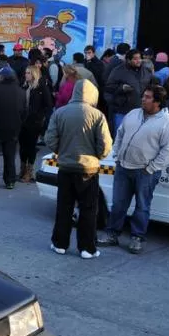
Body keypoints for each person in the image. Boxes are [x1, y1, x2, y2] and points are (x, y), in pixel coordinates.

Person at [97, 85, 169, 254]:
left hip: (145, 172)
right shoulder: (134, 114)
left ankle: (137, 238)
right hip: (123, 168)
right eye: (144, 96)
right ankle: (112, 234)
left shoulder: (167, 124)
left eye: (148, 97)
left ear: (157, 102)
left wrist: (151, 168)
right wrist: (117, 155)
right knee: (118, 204)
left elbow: (168, 150)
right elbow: (120, 133)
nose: (143, 99)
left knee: (142, 206)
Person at [44, 79, 112, 259]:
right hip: (88, 169)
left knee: (64, 207)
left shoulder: (60, 113)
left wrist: (62, 151)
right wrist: (96, 156)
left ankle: (60, 244)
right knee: (89, 210)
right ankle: (87, 248)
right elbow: (105, 145)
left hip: (66, 167)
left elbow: (50, 139)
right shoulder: (97, 115)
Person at [19, 64, 54, 183]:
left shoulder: (41, 87)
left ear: (34, 74)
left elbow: (48, 105)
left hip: (34, 122)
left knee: (31, 147)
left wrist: (41, 117)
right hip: (22, 121)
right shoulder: (23, 86)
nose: (26, 75)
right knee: (22, 146)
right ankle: (22, 169)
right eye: (25, 73)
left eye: (28, 73)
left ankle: (30, 172)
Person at [105, 48, 152, 129]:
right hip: (122, 111)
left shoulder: (146, 72)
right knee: (119, 135)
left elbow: (151, 86)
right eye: (135, 59)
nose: (139, 61)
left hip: (140, 111)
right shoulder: (118, 71)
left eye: (140, 58)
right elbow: (109, 88)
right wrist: (121, 88)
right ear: (128, 60)